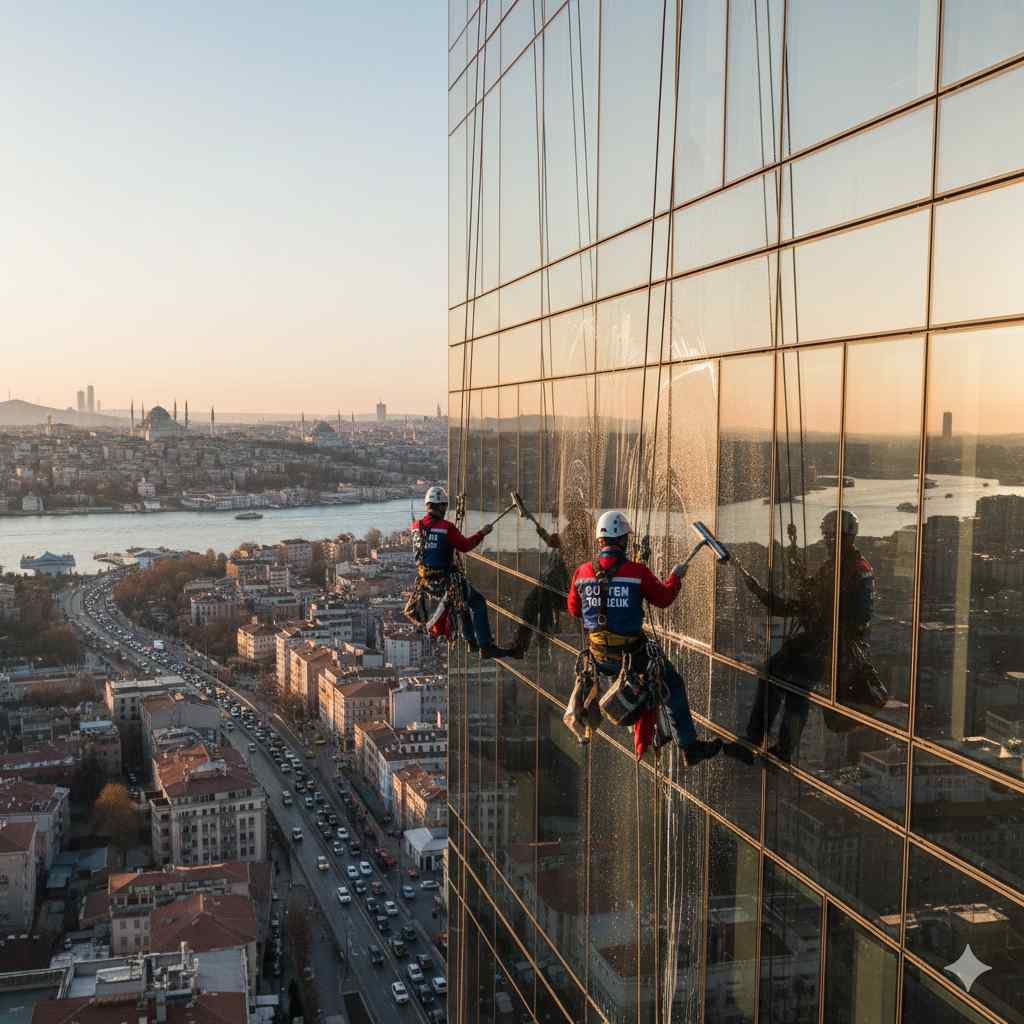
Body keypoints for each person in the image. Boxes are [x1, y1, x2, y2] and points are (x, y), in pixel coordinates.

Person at [726, 508, 886, 763]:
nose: (827, 542)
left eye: (831, 537)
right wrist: (790, 557)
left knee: (791, 682)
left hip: (827, 645)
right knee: (781, 677)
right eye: (827, 537)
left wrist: (765, 594)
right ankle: (767, 744)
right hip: (826, 643)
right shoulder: (845, 567)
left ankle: (769, 745)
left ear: (845, 538)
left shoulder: (848, 569)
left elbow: (813, 601)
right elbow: (810, 594)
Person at [566, 510, 722, 767]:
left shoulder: (582, 572)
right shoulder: (637, 572)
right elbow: (664, 598)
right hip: (631, 656)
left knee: (646, 680)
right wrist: (676, 577)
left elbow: (574, 609)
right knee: (670, 683)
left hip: (599, 658)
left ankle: (648, 739)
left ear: (600, 540)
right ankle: (689, 746)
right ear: (623, 540)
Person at [410, 485, 513, 659]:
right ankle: (485, 645)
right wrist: (482, 533)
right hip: (447, 581)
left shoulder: (416, 526)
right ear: (442, 506)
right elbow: (465, 546)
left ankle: (471, 641)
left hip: (426, 584)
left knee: (463, 604)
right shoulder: (446, 527)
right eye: (444, 506)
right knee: (477, 603)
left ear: (427, 505)